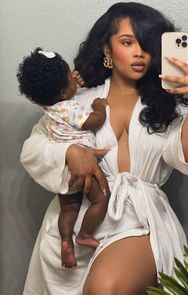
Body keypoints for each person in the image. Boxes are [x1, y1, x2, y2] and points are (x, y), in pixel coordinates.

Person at [20, 2, 188, 295]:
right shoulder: (76, 101)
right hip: (76, 225)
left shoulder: (167, 106)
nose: (139, 52)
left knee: (105, 288)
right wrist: (70, 153)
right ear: (107, 50)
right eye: (127, 42)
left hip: (138, 220)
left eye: (146, 45)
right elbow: (33, 150)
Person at [17, 48, 109, 268]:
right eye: (70, 77)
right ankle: (85, 234)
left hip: (63, 174)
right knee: (101, 199)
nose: (75, 77)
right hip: (81, 171)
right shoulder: (69, 108)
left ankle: (66, 241)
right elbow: (93, 122)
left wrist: (71, 84)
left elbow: (64, 90)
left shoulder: (48, 108)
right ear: (65, 92)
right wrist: (99, 107)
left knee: (69, 209)